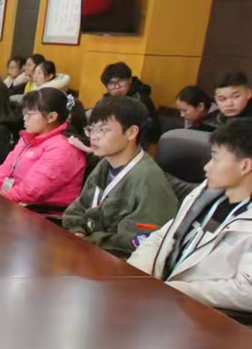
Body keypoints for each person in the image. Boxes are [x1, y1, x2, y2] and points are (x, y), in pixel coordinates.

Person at [128, 118, 252, 312]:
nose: (207, 167)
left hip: (202, 315)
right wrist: (135, 274)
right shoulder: (204, 194)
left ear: (245, 166)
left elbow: (247, 290)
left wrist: (178, 290)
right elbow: (164, 236)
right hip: (159, 298)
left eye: (216, 159)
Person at [62, 97, 179, 255]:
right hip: (89, 249)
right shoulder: (105, 164)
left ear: (131, 133)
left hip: (118, 261)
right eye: (92, 129)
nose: (94, 137)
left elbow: (136, 241)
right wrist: (77, 230)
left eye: (103, 130)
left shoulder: (147, 179)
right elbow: (79, 207)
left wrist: (89, 240)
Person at [0, 88, 86, 207]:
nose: (24, 118)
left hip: (38, 212)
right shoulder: (27, 138)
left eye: (30, 114)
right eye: (25, 112)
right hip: (11, 203)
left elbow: (31, 191)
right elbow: (3, 172)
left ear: (51, 117)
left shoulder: (63, 149)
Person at [97, 61, 160, 147]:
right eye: (111, 83)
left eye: (120, 81)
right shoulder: (105, 100)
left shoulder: (140, 99)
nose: (117, 87)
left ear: (130, 80)